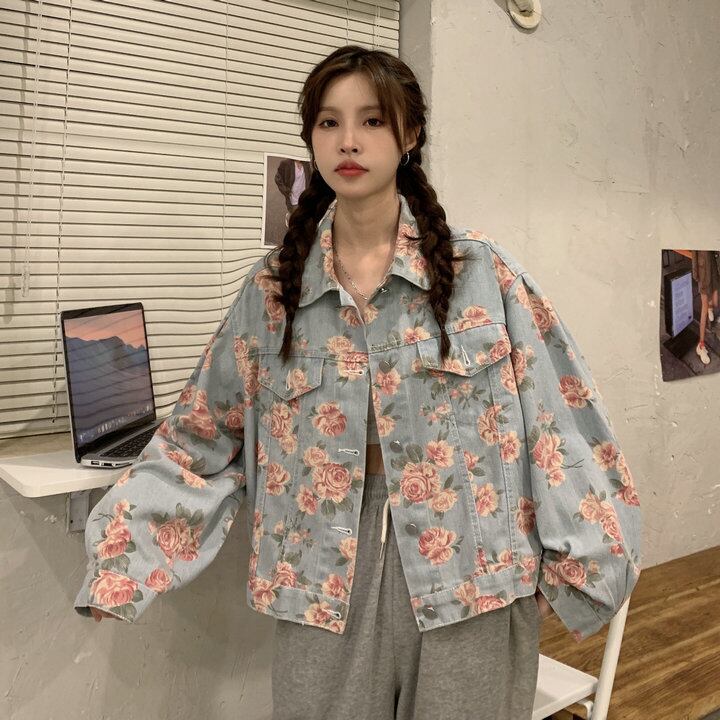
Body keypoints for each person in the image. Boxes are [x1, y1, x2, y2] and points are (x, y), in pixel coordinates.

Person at [75, 45, 642, 720]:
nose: (348, 141)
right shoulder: (275, 292)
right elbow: (201, 436)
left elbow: (562, 421)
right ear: (311, 137)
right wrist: (123, 556)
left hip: (475, 571)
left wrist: (580, 564)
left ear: (410, 133)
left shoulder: (481, 274)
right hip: (320, 577)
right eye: (329, 122)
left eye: (372, 120)